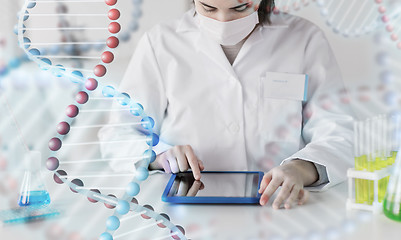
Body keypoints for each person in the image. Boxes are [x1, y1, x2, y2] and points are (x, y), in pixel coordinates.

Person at [99, 0, 354, 209]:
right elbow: (119, 133)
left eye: (240, 7)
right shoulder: (161, 42)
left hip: (279, 207)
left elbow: (339, 131)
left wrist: (301, 168)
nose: (223, 21)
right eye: (209, 8)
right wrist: (159, 155)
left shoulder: (304, 39)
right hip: (186, 212)